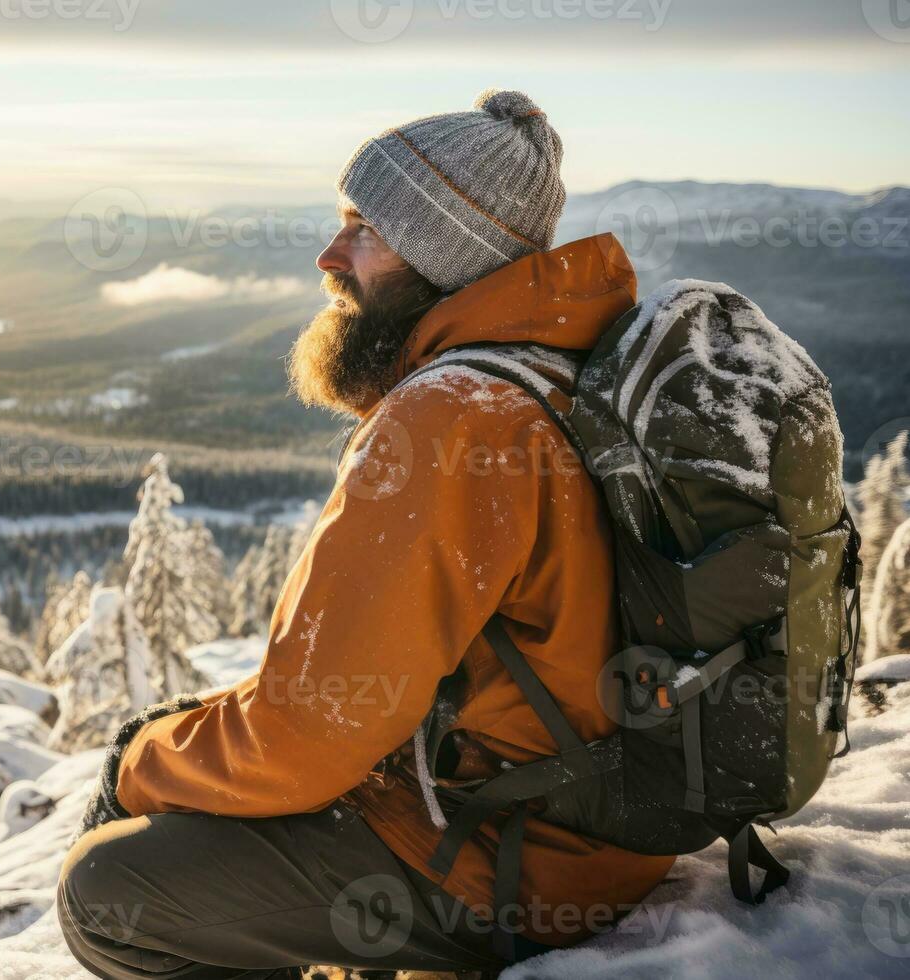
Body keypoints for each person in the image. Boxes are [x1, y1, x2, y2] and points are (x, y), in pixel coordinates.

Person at [58, 89, 675, 980]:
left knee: (109, 894)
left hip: (514, 858)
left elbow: (310, 731)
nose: (329, 255)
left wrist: (135, 766)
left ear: (441, 257)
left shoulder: (453, 417)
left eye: (365, 230)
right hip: (588, 822)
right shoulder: (562, 362)